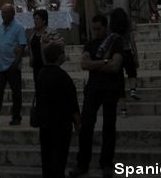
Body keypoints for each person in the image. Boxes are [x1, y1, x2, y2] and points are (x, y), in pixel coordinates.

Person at [71, 14, 124, 178]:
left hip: (110, 88)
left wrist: (95, 65)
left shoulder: (115, 41)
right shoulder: (90, 43)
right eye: (94, 29)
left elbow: (116, 66)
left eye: (98, 29)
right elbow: (83, 64)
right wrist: (104, 62)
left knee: (109, 126)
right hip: (93, 89)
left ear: (105, 27)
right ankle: (82, 164)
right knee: (86, 126)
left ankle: (107, 163)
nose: (96, 32)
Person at [37, 41, 80, 178]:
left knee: (48, 159)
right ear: (58, 56)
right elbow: (72, 102)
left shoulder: (42, 73)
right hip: (60, 124)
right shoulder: (62, 76)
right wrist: (77, 122)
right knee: (59, 159)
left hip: (45, 123)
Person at [0, 4, 27, 126]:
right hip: (1, 65)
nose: (3, 15)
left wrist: (16, 62)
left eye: (5, 13)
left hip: (12, 65)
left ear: (12, 14)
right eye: (2, 13)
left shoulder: (19, 28)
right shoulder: (0, 28)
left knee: (16, 92)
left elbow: (22, 45)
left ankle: (16, 116)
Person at [109, 8, 139, 117]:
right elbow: (132, 42)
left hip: (116, 55)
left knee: (119, 82)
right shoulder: (127, 27)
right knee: (132, 72)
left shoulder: (111, 28)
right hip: (127, 52)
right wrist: (136, 56)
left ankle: (123, 110)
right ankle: (132, 90)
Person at [28, 9, 59, 88]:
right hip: (36, 67)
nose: (35, 21)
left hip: (48, 66)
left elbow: (58, 46)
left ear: (44, 20)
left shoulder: (51, 32)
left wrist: (49, 41)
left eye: (37, 19)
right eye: (34, 19)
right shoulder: (33, 34)